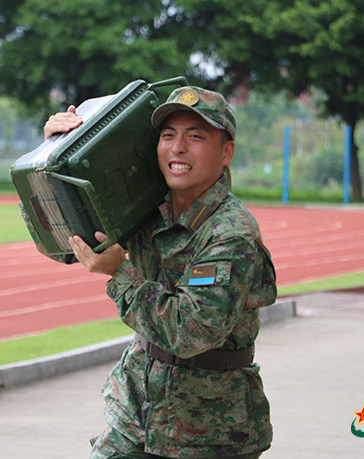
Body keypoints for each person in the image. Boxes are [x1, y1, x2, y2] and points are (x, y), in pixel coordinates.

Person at [36, 86, 277, 458]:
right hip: (136, 417)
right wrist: (55, 152)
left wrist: (120, 273)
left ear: (226, 152)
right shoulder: (148, 206)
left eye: (195, 137)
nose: (178, 148)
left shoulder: (231, 233)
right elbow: (64, 241)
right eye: (168, 135)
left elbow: (190, 331)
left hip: (211, 432)